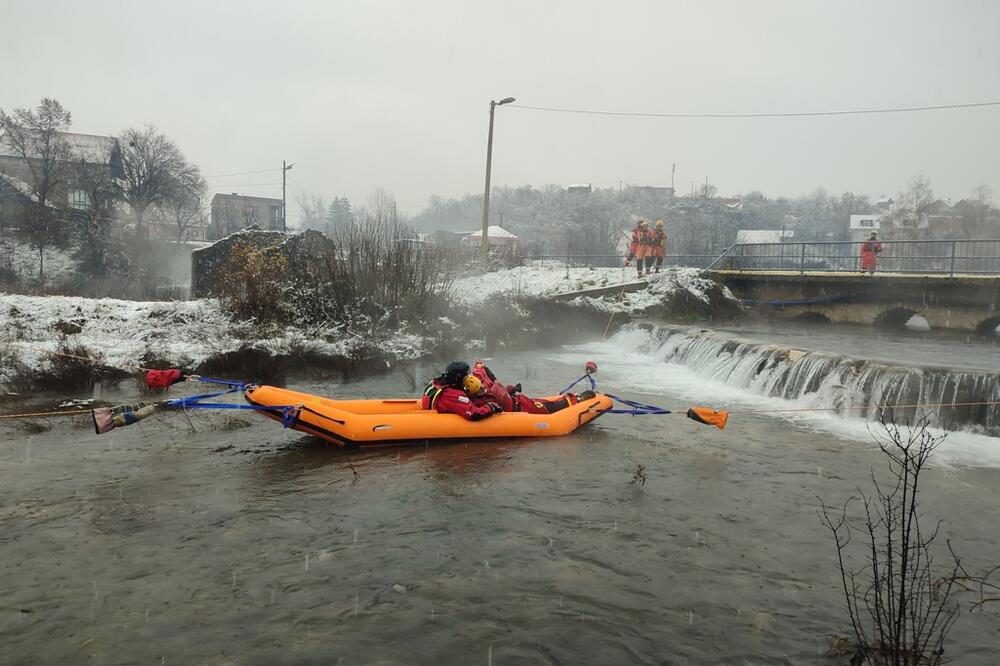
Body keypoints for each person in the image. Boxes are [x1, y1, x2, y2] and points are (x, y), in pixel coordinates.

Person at [463, 360, 596, 415]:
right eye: (480, 388)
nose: (483, 388)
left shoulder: (485, 393)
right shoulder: (485, 401)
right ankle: (576, 400)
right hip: (522, 408)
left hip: (519, 401)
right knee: (550, 407)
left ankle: (570, 399)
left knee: (547, 402)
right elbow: (499, 399)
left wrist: (510, 389)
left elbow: (481, 369)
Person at [421, 361, 503, 421]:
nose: (467, 379)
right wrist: (491, 407)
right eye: (465, 377)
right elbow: (473, 414)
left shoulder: (437, 382)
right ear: (458, 379)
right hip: (440, 419)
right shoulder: (453, 394)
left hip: (435, 412)